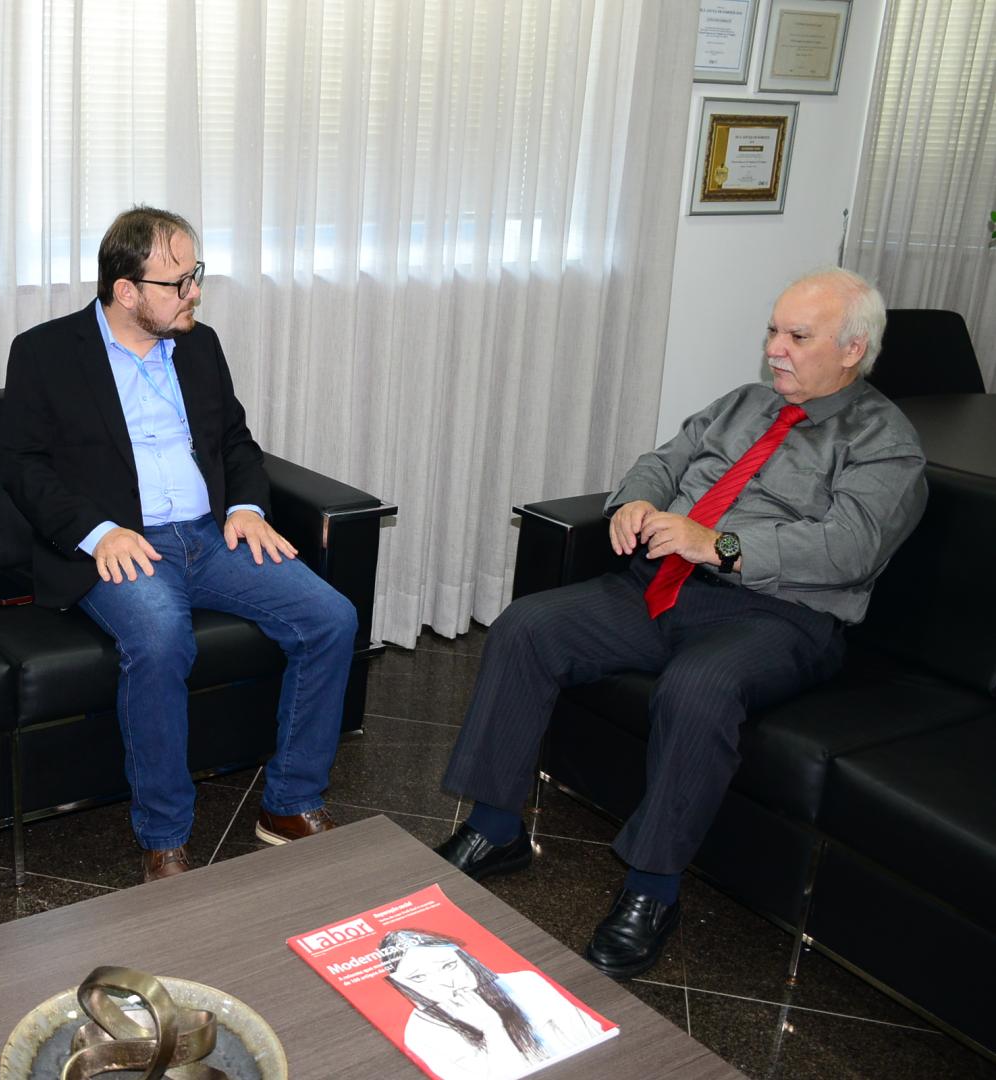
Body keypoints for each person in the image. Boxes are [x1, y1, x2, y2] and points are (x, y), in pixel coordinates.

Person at [434, 268, 928, 979]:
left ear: (853, 350)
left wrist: (719, 544)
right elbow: (662, 464)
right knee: (526, 626)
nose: (775, 349)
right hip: (664, 587)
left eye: (797, 336)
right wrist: (635, 502)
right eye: (773, 330)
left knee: (698, 688)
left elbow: (849, 550)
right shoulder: (744, 404)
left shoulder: (886, 443)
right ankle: (495, 829)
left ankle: (652, 892)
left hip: (780, 616)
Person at [2, 206, 358, 884]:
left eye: (196, 275)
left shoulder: (200, 345)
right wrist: (98, 533)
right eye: (178, 283)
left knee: (331, 618)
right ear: (126, 290)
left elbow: (235, 441)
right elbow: (23, 468)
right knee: (162, 639)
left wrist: (248, 507)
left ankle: (289, 803)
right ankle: (164, 838)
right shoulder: (46, 353)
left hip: (211, 536)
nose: (194, 292)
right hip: (123, 545)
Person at [382, 929, 605, 1080]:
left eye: (449, 966)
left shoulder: (525, 983)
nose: (445, 982)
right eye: (418, 978)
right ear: (402, 984)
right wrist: (492, 1029)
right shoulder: (420, 1033)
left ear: (464, 958)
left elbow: (592, 1037)